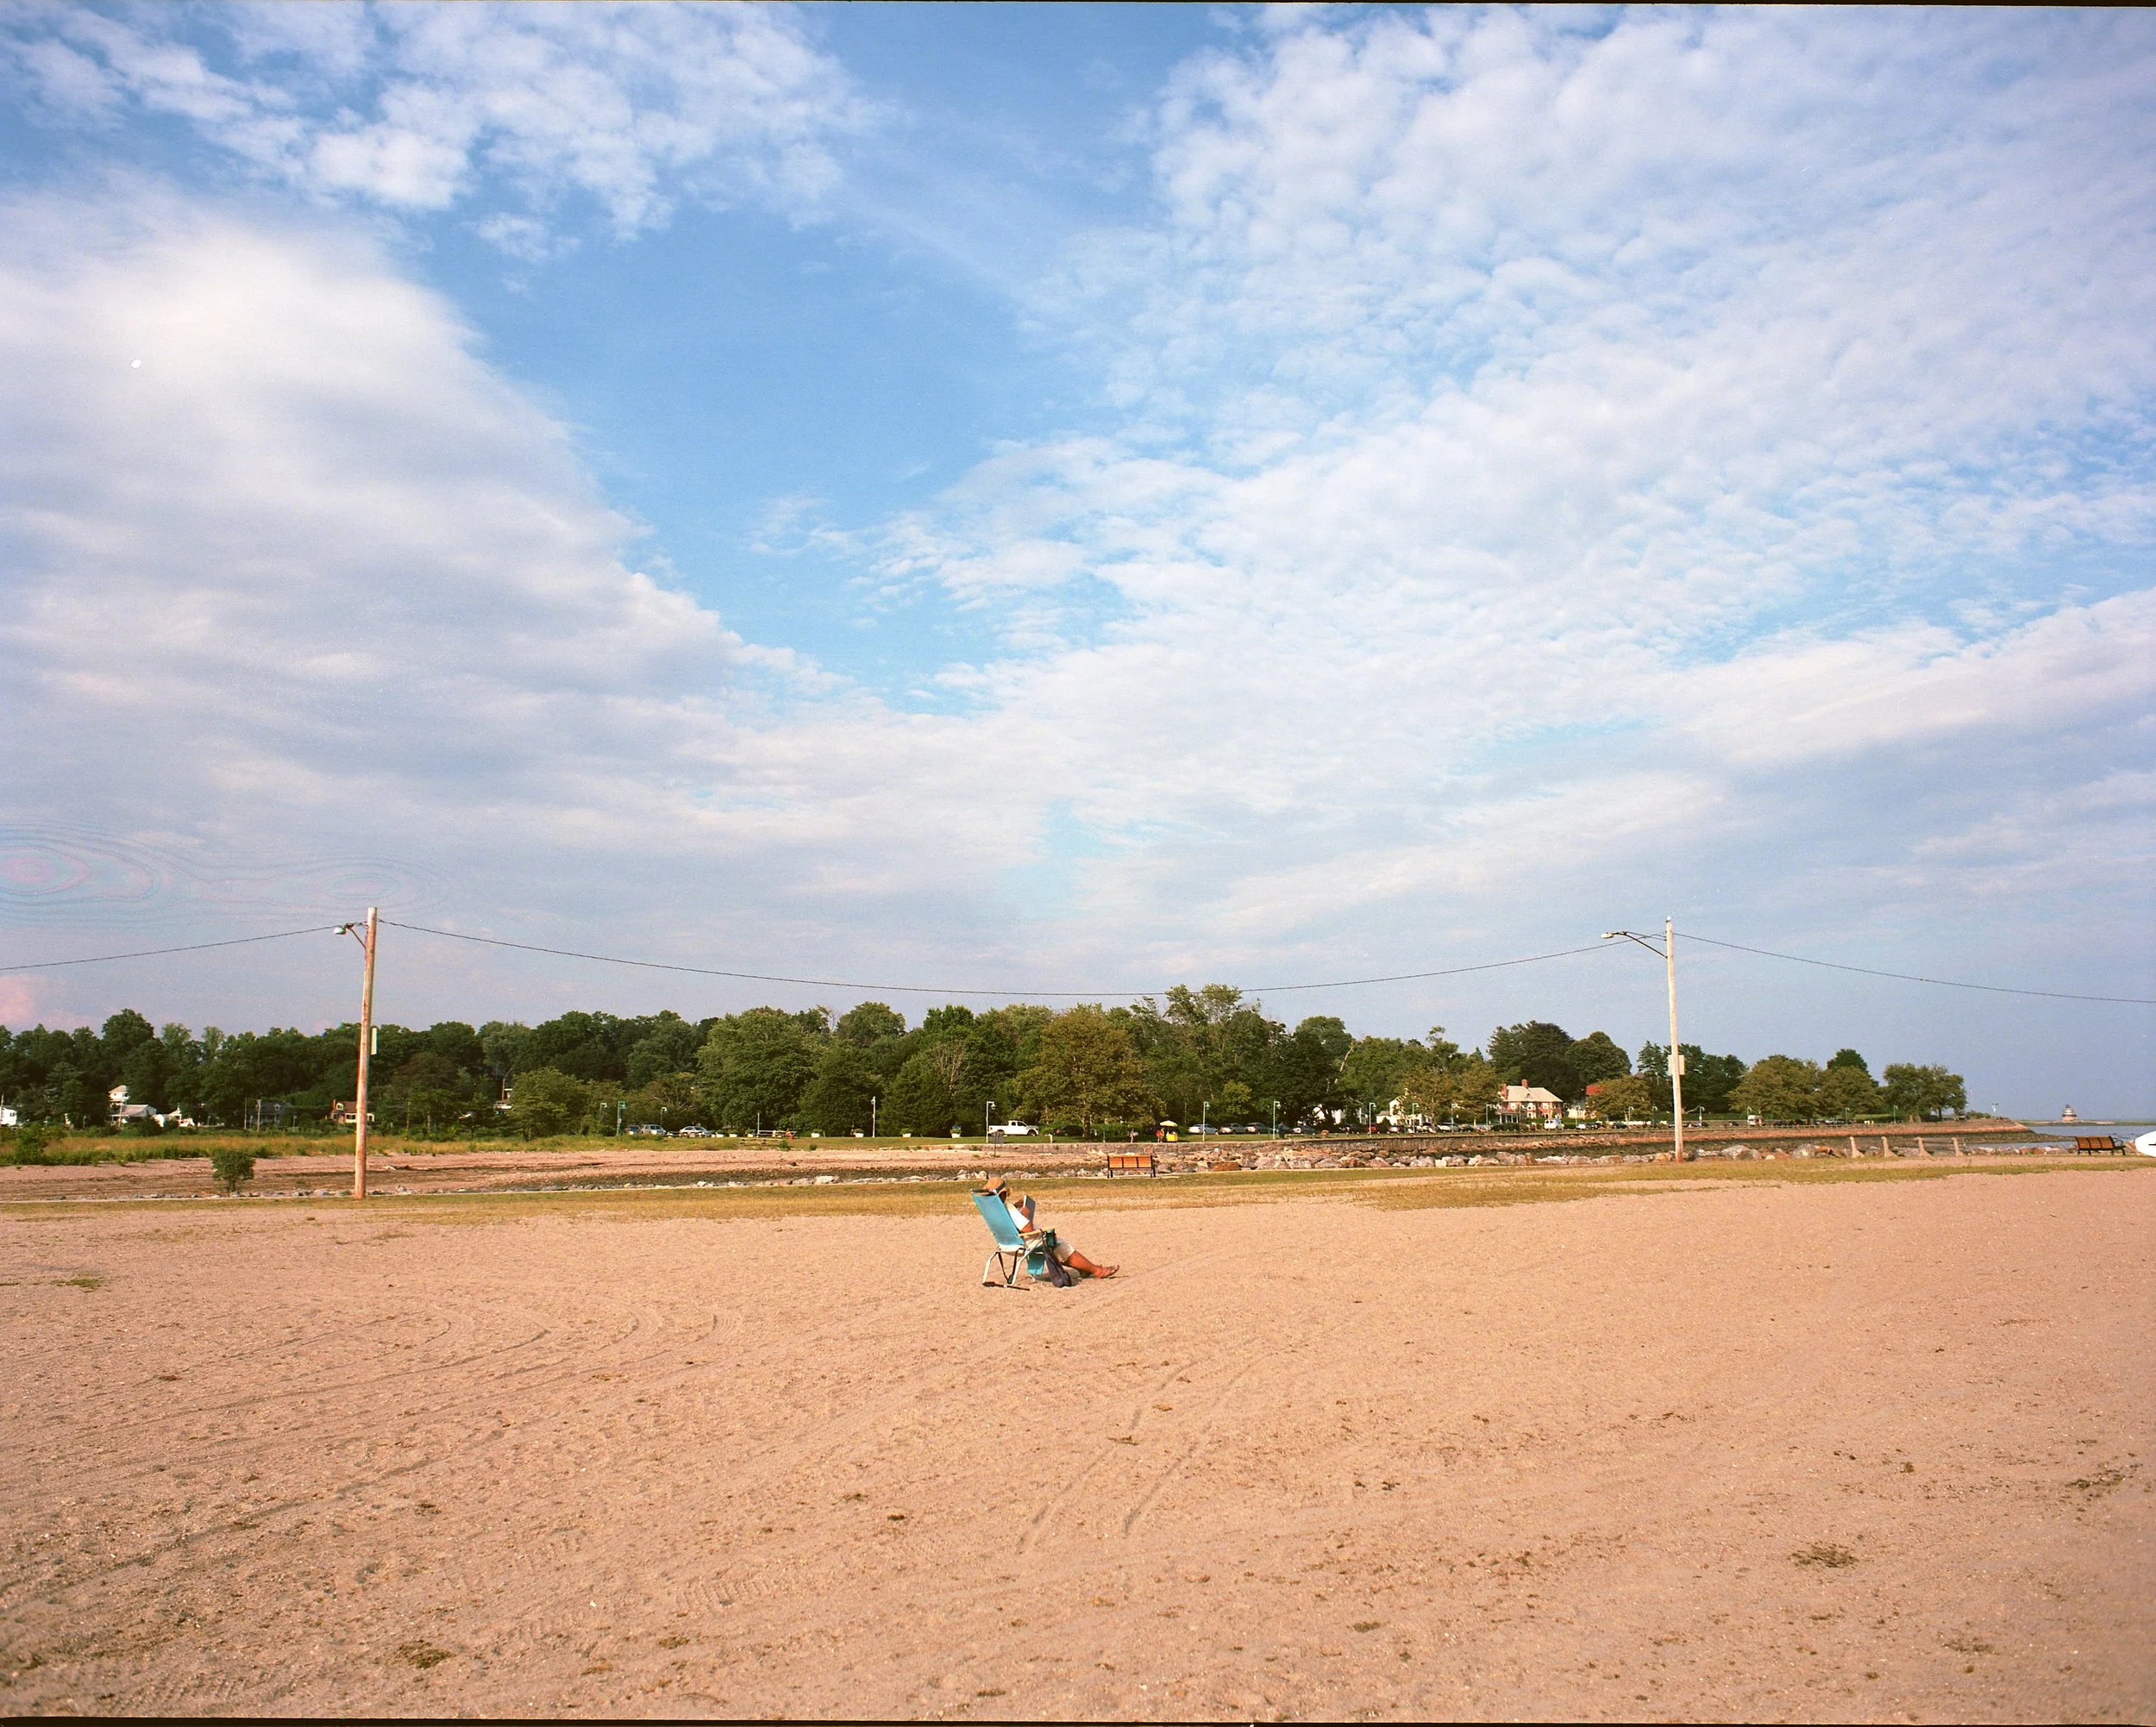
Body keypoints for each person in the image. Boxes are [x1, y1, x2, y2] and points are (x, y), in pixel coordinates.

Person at [987, 1177, 1118, 1279]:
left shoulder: (992, 1211)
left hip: (1004, 1244)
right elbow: (1028, 1230)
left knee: (1056, 1245)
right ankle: (1097, 1270)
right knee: (1058, 1244)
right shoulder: (1008, 1210)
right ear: (1003, 1195)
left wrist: (1017, 1211)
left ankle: (1084, 1269)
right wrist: (1025, 1214)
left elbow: (1009, 1226)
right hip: (1022, 1244)